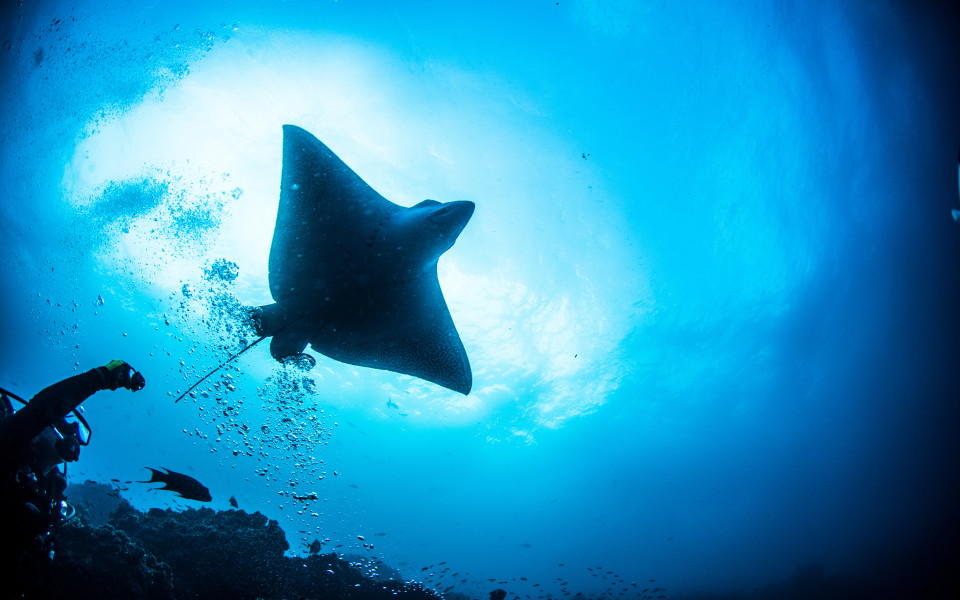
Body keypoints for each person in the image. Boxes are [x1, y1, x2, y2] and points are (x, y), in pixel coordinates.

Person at [0, 360, 145, 584]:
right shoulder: (12, 443)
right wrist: (103, 376)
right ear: (43, 429)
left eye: (79, 435)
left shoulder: (49, 490)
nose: (73, 438)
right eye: (64, 427)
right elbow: (42, 408)